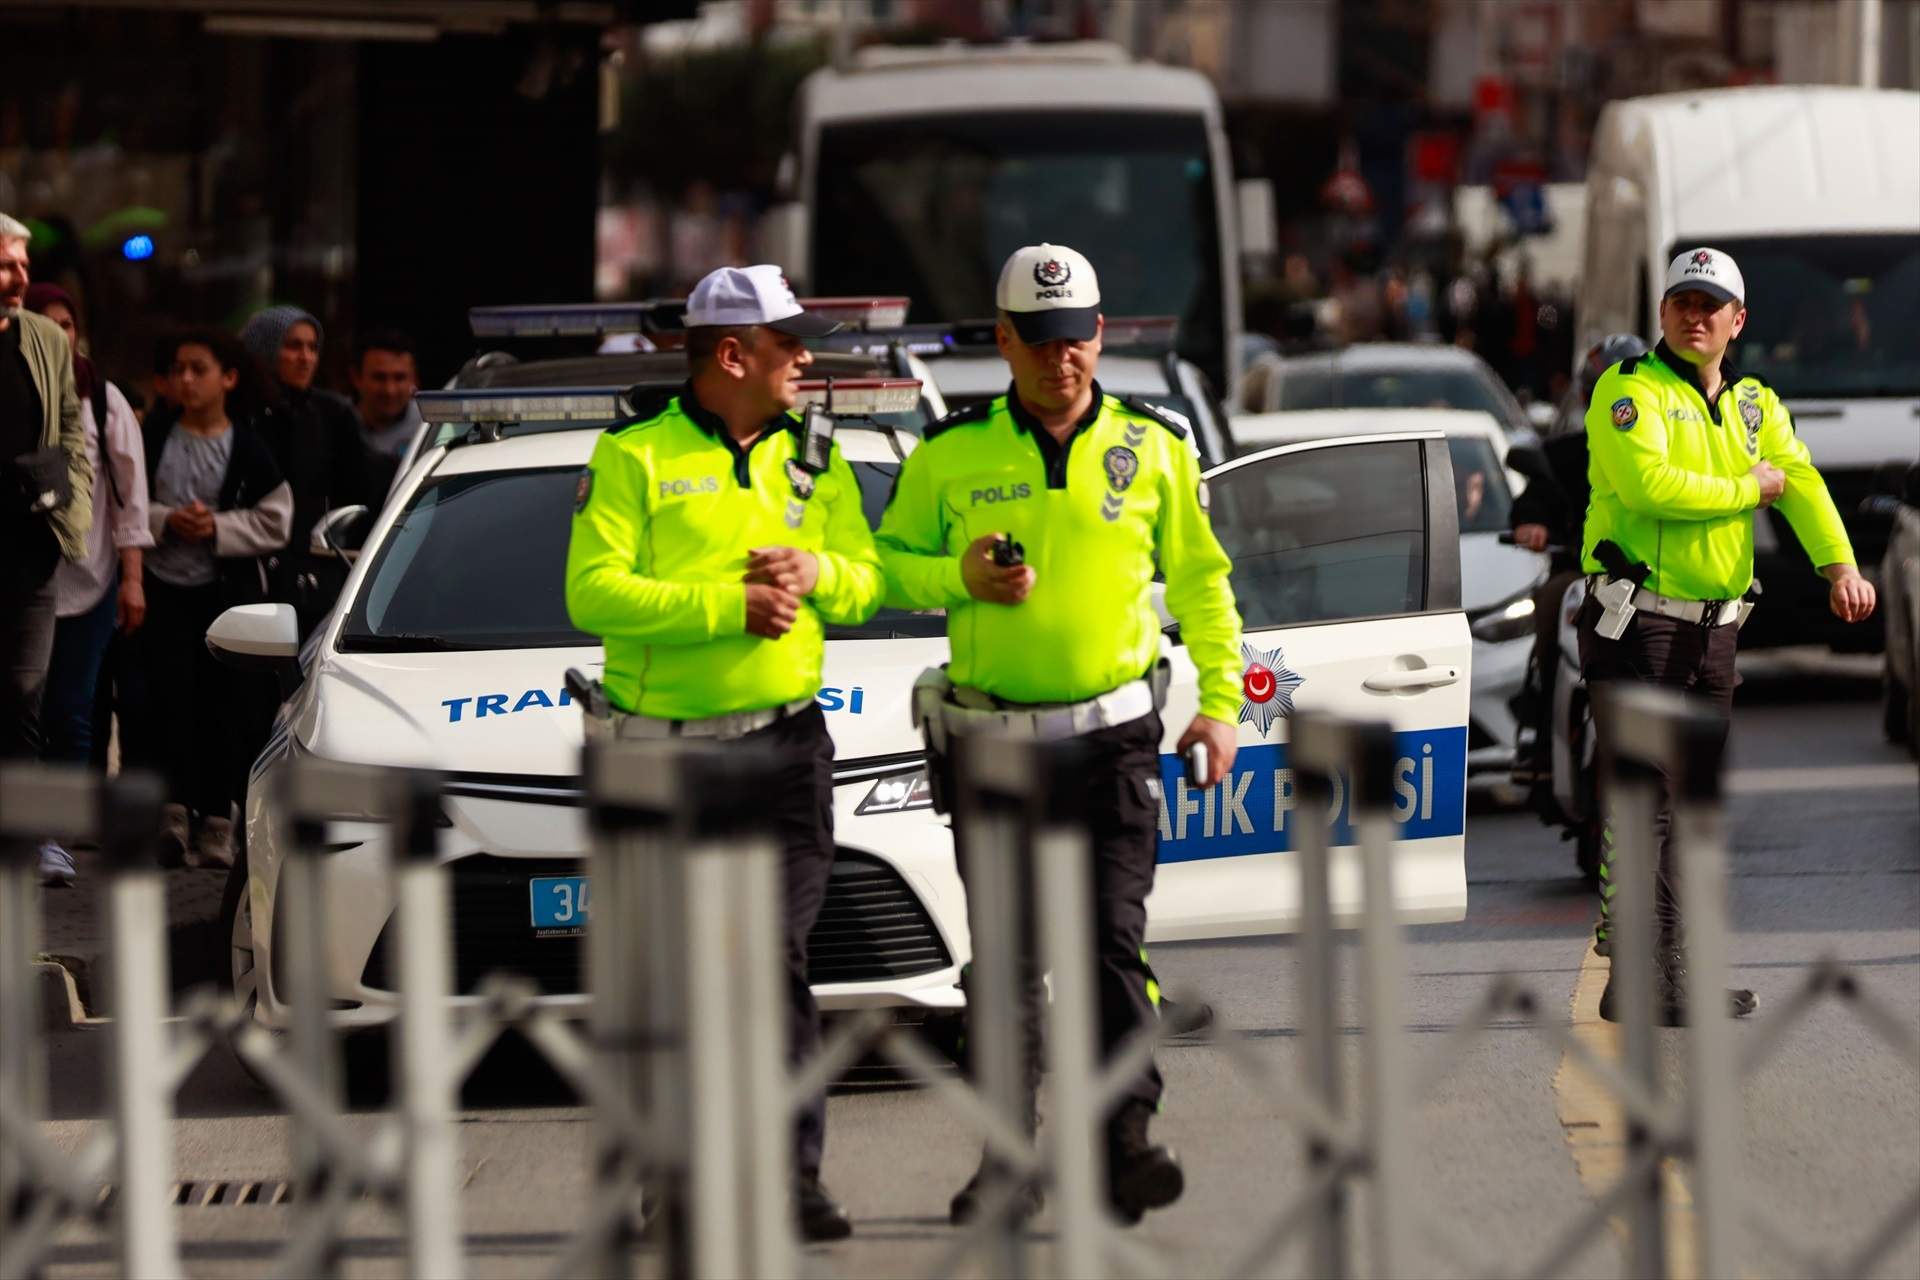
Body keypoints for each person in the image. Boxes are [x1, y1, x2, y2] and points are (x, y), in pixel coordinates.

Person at [875, 243, 1243, 1226]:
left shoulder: (1156, 446)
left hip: (1112, 739)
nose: (1058, 357)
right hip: (990, 744)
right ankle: (1004, 1160)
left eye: (1073, 337)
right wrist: (958, 573)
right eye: (1036, 339)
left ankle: (1125, 1145)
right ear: (1003, 341)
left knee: (1111, 949)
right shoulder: (950, 451)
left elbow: (1204, 584)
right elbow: (878, 567)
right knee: (1001, 965)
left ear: (1099, 334)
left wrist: (1221, 702)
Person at [564, 265, 879, 1242]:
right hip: (664, 759)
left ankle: (792, 1175)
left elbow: (867, 586)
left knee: (775, 958)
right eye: (790, 344)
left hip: (785, 747)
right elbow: (591, 592)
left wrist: (816, 570)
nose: (806, 357)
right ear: (733, 355)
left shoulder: (818, 455)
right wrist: (724, 605)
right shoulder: (633, 455)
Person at [1580, 248, 1875, 1025]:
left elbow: (1801, 479)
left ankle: (1663, 972)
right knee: (1653, 804)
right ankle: (1649, 977)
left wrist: (1839, 564)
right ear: (1664, 312)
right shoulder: (1629, 390)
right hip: (1635, 623)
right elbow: (1651, 487)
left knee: (1688, 809)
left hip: (1712, 630)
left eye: (1711, 304)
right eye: (1682, 300)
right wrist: (1751, 488)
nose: (1694, 314)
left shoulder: (1753, 402)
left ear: (1737, 321)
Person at [136, 328, 292, 868]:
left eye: (198, 369)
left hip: (223, 594)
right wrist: (164, 520)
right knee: (168, 700)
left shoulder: (247, 445)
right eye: (179, 369)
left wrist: (218, 527)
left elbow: (277, 520)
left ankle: (218, 820)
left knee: (225, 705)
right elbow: (126, 503)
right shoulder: (154, 434)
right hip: (164, 590)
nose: (186, 379)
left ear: (228, 378)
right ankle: (174, 814)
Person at [25, 282, 152, 887]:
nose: (58, 336)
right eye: (44, 324)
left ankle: (54, 835)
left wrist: (132, 580)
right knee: (21, 706)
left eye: (66, 325)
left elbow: (131, 502)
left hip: (92, 581)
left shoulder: (106, 400)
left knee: (72, 712)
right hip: (24, 579)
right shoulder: (18, 390)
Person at [1, 212, 93, 796]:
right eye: (6, 265)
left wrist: (73, 507)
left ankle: (20, 840)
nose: (19, 276)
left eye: (23, 265)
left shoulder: (41, 337)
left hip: (32, 550)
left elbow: (68, 426)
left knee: (23, 699)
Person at [239, 305, 395, 637]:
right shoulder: (239, 415)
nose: (305, 357)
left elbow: (359, 489)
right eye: (293, 346)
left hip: (313, 567)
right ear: (265, 348)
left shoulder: (330, 413)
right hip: (245, 565)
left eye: (312, 347)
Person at [349, 328, 422, 457]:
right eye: (379, 377)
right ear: (356, 378)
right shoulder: (332, 425)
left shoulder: (429, 428)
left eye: (399, 378)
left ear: (414, 379)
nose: (389, 390)